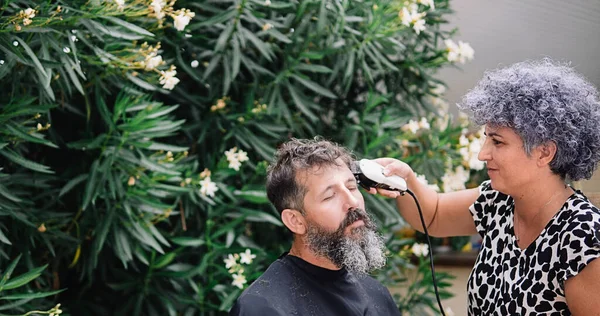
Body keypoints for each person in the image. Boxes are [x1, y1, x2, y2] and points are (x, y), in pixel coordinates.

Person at [373, 59, 600, 315]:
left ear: (544, 152)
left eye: (498, 142)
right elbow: (433, 215)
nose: (483, 154)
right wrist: (406, 180)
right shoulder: (498, 201)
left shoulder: (583, 238)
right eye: (486, 140)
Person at [229, 138, 401, 316]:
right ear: (296, 221)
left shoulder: (376, 294)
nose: (352, 202)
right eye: (329, 196)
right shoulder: (263, 307)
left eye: (351, 187)